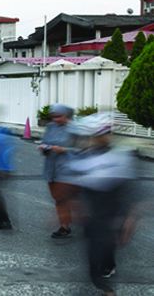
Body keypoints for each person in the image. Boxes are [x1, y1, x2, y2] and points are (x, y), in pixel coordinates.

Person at [69, 113, 137, 296]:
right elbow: (78, 189)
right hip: (92, 218)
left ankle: (107, 289)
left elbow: (127, 192)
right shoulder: (84, 157)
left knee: (100, 260)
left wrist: (129, 220)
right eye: (97, 135)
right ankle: (105, 283)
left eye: (105, 133)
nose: (102, 138)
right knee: (95, 261)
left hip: (112, 216)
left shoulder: (120, 157)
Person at [39, 103, 79, 239]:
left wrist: (64, 150)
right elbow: (45, 141)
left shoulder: (75, 129)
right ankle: (65, 225)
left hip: (70, 169)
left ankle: (69, 225)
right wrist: (44, 147)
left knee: (68, 198)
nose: (55, 120)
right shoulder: (51, 127)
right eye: (53, 117)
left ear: (66, 115)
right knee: (59, 198)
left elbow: (83, 150)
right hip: (52, 168)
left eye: (59, 116)